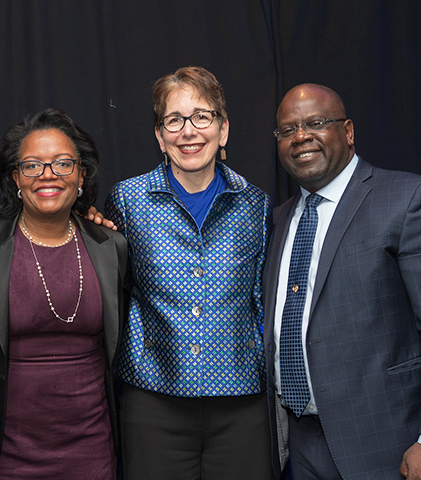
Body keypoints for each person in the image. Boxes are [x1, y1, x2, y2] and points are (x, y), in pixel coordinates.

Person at [264, 83, 421, 479]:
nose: (301, 137)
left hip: (390, 444)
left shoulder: (409, 199)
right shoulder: (279, 219)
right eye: (287, 130)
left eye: (316, 122)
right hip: (300, 444)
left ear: (348, 132)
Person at [104, 66, 273, 479]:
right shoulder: (127, 201)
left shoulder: (256, 205)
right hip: (153, 400)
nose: (189, 131)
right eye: (174, 120)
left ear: (224, 128)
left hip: (242, 404)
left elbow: (262, 297)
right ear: (160, 136)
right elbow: (114, 287)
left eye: (202, 116)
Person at [0, 108, 128, 479]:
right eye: (32, 166)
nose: (47, 175)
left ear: (81, 174)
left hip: (91, 448)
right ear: (15, 178)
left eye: (62, 164)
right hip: (6, 452)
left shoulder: (112, 247)